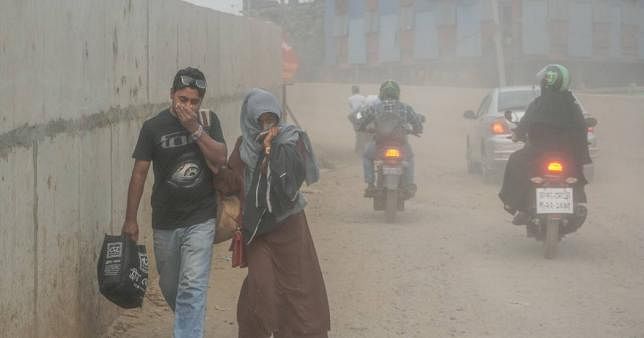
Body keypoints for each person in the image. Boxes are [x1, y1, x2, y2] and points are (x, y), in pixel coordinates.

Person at [121, 67, 227, 338]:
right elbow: (139, 174)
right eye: (182, 99)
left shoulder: (208, 120)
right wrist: (130, 219)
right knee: (170, 287)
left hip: (201, 218)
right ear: (171, 96)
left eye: (194, 101)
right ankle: (191, 322)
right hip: (165, 220)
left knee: (192, 286)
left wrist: (195, 129)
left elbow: (220, 158)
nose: (188, 106)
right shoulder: (153, 127)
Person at [220, 88, 330, 338]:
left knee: (298, 289)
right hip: (258, 232)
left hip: (289, 227)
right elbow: (231, 181)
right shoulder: (243, 147)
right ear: (250, 120)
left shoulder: (291, 142)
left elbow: (288, 185)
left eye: (271, 119)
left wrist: (269, 150)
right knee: (262, 287)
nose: (266, 125)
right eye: (260, 120)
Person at [499, 64, 591, 225]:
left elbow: (525, 124)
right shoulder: (573, 105)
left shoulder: (538, 104)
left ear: (545, 82)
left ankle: (516, 205)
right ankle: (576, 204)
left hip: (538, 153)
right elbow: (581, 129)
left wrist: (516, 135)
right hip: (568, 155)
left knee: (515, 160)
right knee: (575, 173)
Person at [356, 80, 424, 197]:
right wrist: (417, 130)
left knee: (367, 157)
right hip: (401, 144)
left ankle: (371, 185)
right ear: (397, 93)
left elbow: (361, 118)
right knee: (410, 157)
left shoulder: (375, 107)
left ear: (381, 93)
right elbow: (417, 122)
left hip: (380, 144)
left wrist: (362, 127)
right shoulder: (405, 107)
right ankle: (408, 185)